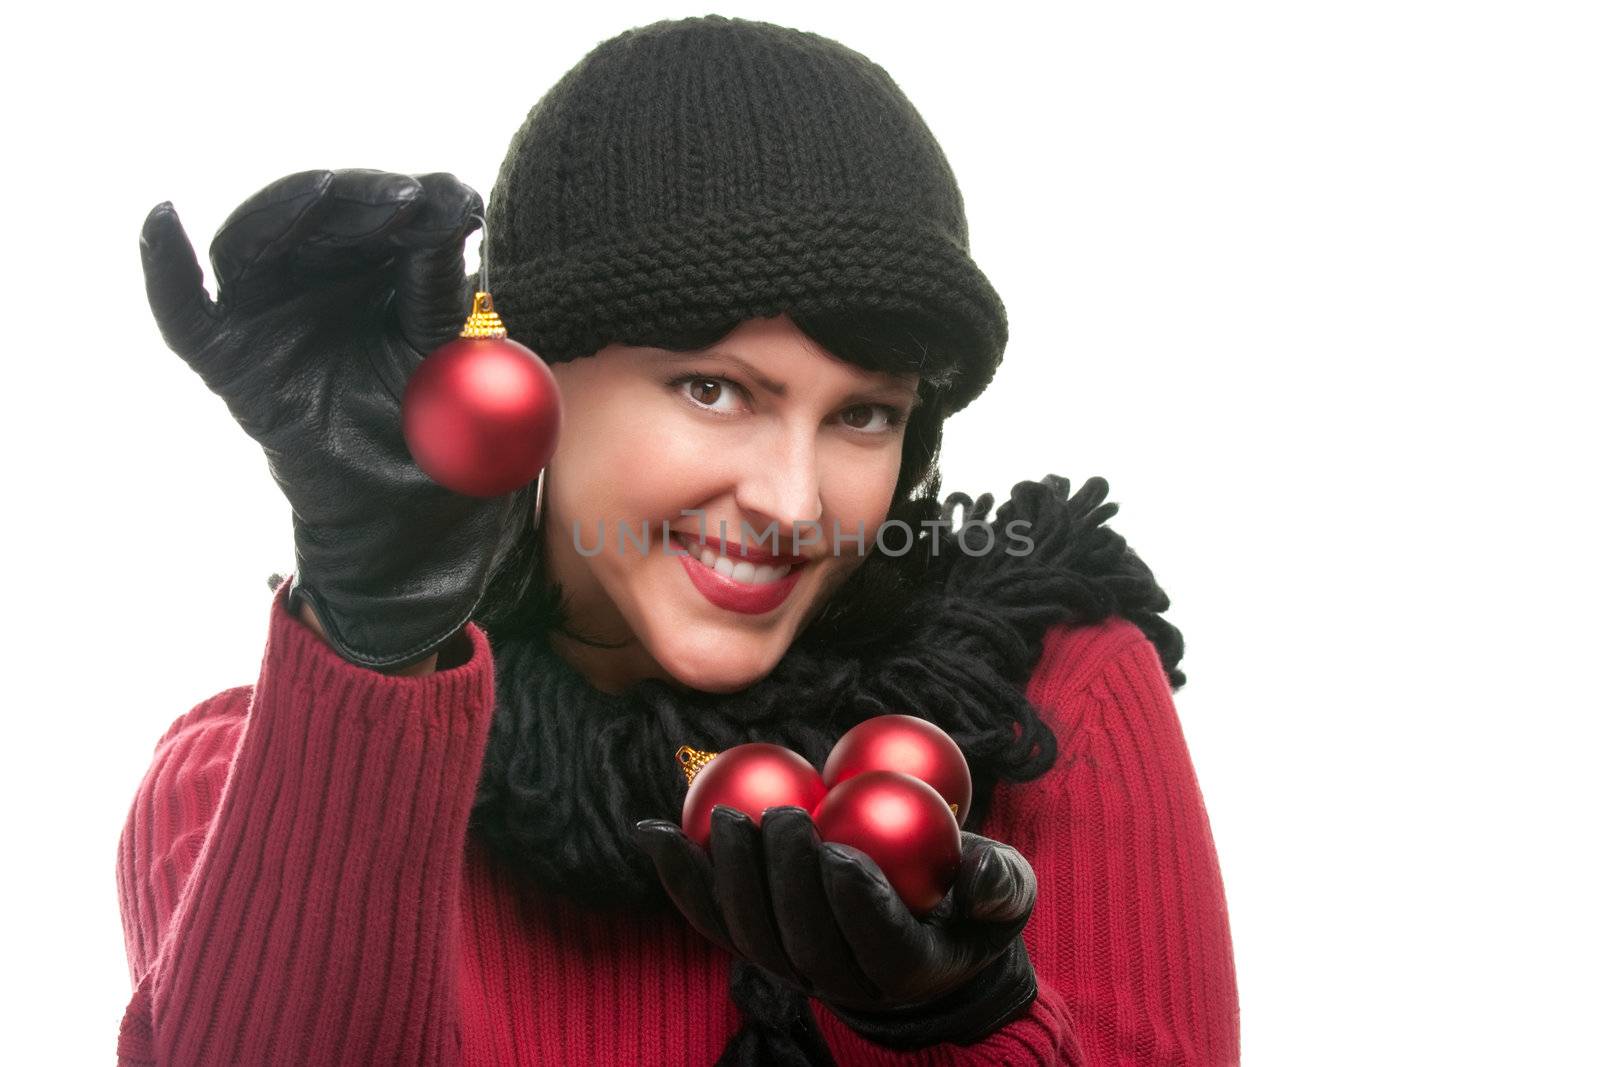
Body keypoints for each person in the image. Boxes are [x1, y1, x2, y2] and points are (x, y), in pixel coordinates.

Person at [117, 14, 1239, 1065]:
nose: (795, 502)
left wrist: (968, 1021)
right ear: (531, 378)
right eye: (713, 389)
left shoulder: (1048, 699)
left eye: (865, 413)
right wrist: (373, 646)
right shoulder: (244, 786)